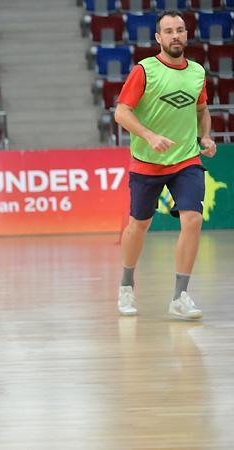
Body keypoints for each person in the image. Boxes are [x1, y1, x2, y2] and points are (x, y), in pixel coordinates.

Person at [114, 10, 217, 319]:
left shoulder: (197, 72)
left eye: (180, 30)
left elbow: (201, 110)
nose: (176, 36)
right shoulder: (145, 70)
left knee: (193, 220)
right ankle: (126, 285)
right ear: (159, 38)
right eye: (169, 31)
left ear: (187, 34)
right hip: (147, 162)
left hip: (186, 159)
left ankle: (180, 297)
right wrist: (149, 136)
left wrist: (206, 136)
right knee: (139, 225)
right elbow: (121, 112)